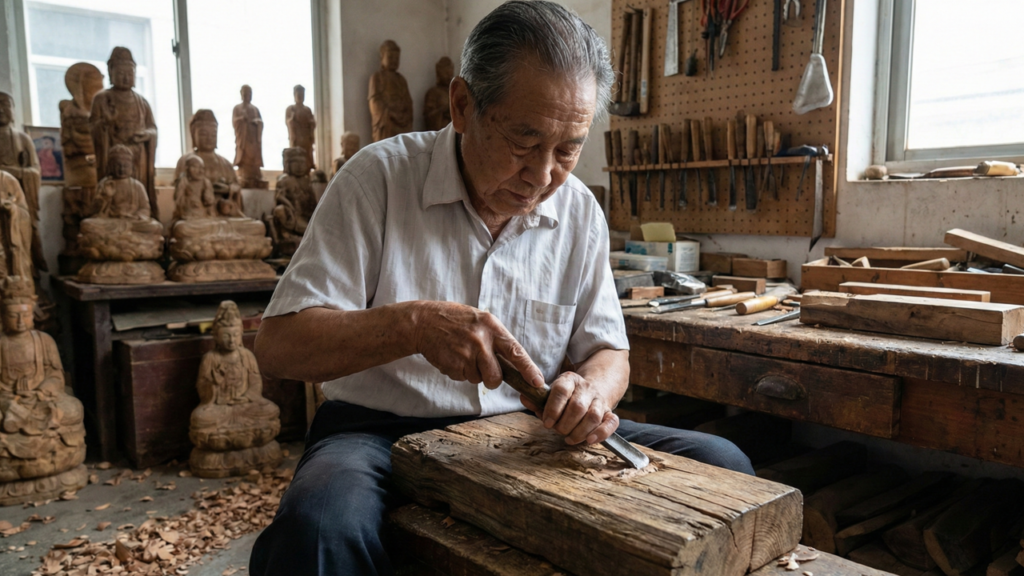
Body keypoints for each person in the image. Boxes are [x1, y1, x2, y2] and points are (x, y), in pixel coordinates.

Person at [249, 3, 753, 575]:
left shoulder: (579, 212)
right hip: (378, 431)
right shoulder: (378, 179)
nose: (543, 176)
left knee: (723, 460)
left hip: (526, 430)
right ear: (463, 106)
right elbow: (280, 344)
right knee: (318, 528)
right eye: (523, 140)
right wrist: (412, 325)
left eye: (568, 149)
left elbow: (609, 352)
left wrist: (591, 394)